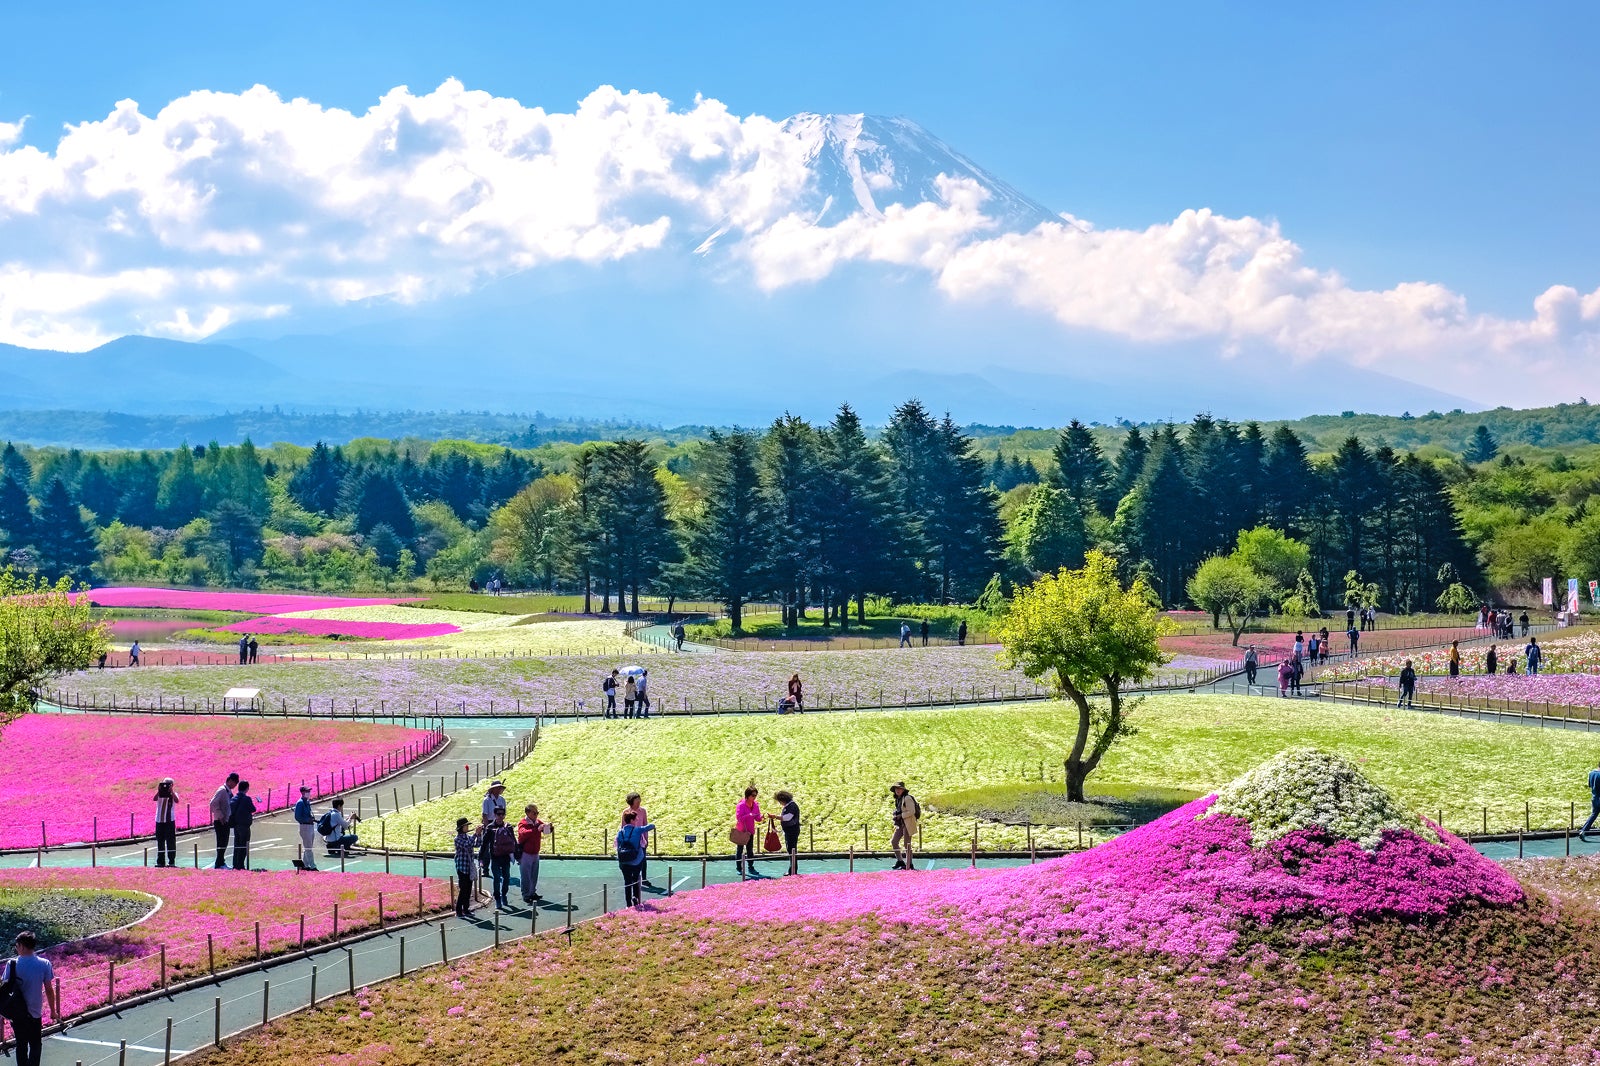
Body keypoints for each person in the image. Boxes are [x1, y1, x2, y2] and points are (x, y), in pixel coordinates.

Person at [3, 931, 57, 1066]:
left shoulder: (12, 964)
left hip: (17, 1012)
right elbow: (49, 990)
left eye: (16, 945)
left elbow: (4, 989)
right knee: (35, 1044)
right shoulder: (44, 964)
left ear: (21, 946)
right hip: (35, 1011)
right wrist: (53, 1011)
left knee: (21, 1044)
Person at [616, 810, 655, 907]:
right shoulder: (637, 830)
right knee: (636, 878)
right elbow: (650, 826)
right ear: (632, 820)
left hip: (624, 861)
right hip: (636, 860)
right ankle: (635, 896)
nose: (637, 820)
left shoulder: (620, 833)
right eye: (636, 819)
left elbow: (617, 846)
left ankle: (628, 903)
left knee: (627, 881)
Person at [516, 804, 552, 904]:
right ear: (528, 813)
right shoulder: (522, 823)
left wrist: (549, 828)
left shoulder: (537, 822)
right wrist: (537, 829)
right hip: (525, 853)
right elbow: (523, 834)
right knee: (525, 876)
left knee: (534, 875)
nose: (536, 815)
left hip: (535, 853)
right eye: (534, 813)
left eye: (537, 813)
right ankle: (526, 895)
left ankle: (532, 893)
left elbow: (544, 830)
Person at [484, 810, 517, 910]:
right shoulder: (490, 827)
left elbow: (513, 841)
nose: (501, 816)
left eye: (503, 814)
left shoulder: (508, 827)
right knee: (497, 878)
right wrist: (481, 857)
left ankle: (504, 895)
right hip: (495, 857)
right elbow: (485, 843)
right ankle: (497, 898)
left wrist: (517, 853)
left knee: (506, 877)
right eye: (498, 814)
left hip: (506, 857)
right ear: (494, 815)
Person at [623, 793, 655, 889]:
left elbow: (645, 825)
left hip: (641, 840)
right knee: (632, 859)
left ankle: (644, 878)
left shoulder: (643, 811)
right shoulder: (626, 812)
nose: (639, 803)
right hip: (631, 841)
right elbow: (623, 827)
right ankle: (633, 878)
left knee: (643, 859)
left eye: (640, 801)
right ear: (631, 802)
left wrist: (646, 839)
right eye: (637, 801)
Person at [209, 772, 238, 869]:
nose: (235, 785)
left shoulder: (228, 791)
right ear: (229, 780)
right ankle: (219, 863)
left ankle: (221, 861)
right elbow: (213, 803)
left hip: (225, 820)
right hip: (220, 821)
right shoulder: (222, 790)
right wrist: (220, 816)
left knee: (224, 842)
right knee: (221, 842)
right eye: (234, 782)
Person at [890, 782, 919, 870]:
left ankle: (909, 864)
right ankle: (900, 861)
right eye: (896, 789)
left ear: (903, 790)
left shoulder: (907, 798)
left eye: (899, 789)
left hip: (908, 823)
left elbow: (912, 811)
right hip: (900, 823)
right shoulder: (898, 799)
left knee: (907, 844)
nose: (898, 790)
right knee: (894, 841)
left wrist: (901, 815)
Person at [733, 787, 761, 880]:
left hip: (750, 831)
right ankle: (738, 868)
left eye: (755, 795)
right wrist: (748, 815)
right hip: (741, 830)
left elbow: (757, 818)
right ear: (747, 795)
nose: (754, 797)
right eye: (753, 795)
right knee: (739, 850)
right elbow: (739, 818)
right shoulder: (741, 805)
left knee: (750, 850)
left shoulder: (755, 805)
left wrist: (761, 817)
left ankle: (751, 867)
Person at [453, 817, 478, 917]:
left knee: (468, 889)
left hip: (469, 866)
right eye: (466, 825)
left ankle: (466, 909)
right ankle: (459, 910)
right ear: (461, 827)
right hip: (462, 867)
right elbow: (467, 845)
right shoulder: (457, 839)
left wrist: (479, 835)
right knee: (463, 889)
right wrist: (476, 834)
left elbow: (477, 844)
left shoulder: (468, 837)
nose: (468, 827)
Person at [152, 777, 179, 867]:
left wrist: (171, 791)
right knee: (160, 841)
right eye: (164, 783)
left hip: (169, 820)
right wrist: (159, 790)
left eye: (167, 784)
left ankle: (171, 861)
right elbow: (154, 799)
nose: (165, 786)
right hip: (159, 820)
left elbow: (177, 800)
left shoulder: (174, 794)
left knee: (170, 841)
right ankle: (160, 861)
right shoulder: (160, 794)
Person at [229, 780, 256, 870]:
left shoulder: (234, 798)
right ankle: (241, 865)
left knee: (237, 845)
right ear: (247, 788)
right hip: (244, 825)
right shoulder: (246, 799)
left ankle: (235, 864)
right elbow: (253, 809)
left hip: (236, 825)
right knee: (244, 845)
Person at [775, 790, 801, 875]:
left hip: (792, 831)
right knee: (791, 850)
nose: (780, 803)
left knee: (792, 850)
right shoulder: (789, 805)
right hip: (789, 831)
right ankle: (792, 870)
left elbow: (787, 817)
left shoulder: (792, 806)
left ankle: (793, 871)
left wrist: (776, 817)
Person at [292, 785, 318, 870]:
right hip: (305, 826)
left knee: (308, 847)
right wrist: (307, 819)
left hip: (310, 826)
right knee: (308, 848)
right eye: (307, 791)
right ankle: (313, 866)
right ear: (303, 792)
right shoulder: (300, 803)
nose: (309, 793)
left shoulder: (307, 802)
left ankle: (305, 865)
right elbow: (297, 817)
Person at [1582, 761, 1600, 841]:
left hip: (1594, 797)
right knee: (1594, 815)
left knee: (1593, 815)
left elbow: (1590, 785)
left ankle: (1583, 830)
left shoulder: (1591, 773)